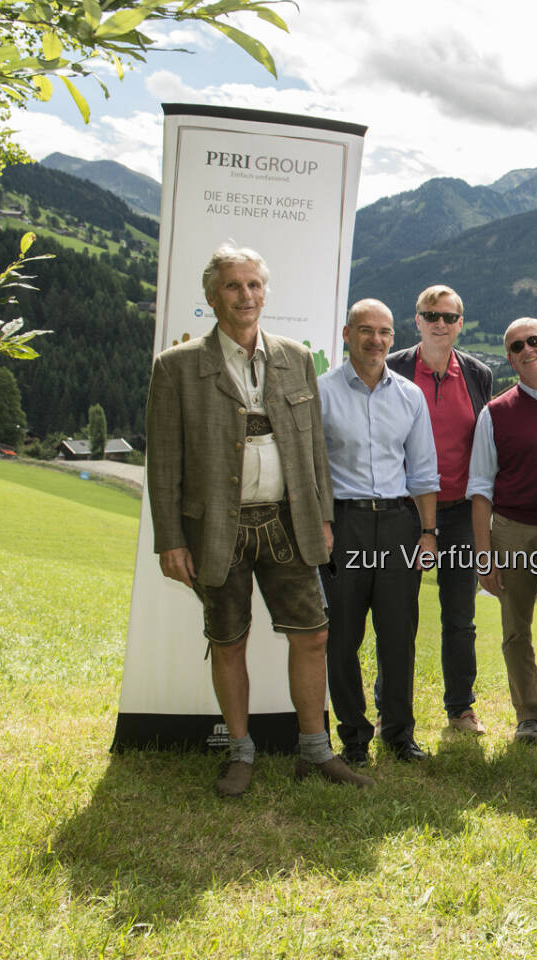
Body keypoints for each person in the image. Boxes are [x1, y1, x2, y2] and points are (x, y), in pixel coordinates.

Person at [145, 243, 370, 796]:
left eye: (254, 285)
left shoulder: (295, 357)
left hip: (289, 522)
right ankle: (240, 753)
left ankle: (315, 752)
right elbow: (164, 463)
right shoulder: (176, 367)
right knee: (228, 640)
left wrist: (321, 517)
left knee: (313, 636)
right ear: (211, 296)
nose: (245, 296)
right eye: (232, 286)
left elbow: (314, 447)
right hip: (215, 528)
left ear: (265, 293)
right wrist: (171, 541)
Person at [319, 298, 439, 765]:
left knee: (397, 634)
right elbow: (312, 469)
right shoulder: (322, 392)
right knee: (342, 637)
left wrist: (428, 533)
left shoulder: (409, 396)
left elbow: (424, 472)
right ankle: (352, 738)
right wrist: (323, 526)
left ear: (393, 338)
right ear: (347, 335)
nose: (376, 340)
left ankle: (399, 734)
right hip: (343, 523)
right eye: (365, 330)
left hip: (396, 525)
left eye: (384, 332)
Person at [386, 284, 493, 736]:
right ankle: (392, 710)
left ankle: (460, 709)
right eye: (431, 315)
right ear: (417, 320)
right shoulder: (392, 368)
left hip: (459, 512)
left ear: (460, 323)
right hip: (402, 511)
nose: (440, 324)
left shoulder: (477, 374)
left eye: (449, 317)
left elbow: (483, 442)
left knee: (459, 616)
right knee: (397, 613)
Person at [468, 318, 537, 747]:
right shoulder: (494, 412)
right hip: (513, 531)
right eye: (517, 346)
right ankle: (528, 714)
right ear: (510, 357)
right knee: (516, 629)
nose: (527, 350)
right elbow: (480, 490)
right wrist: (484, 555)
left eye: (534, 342)